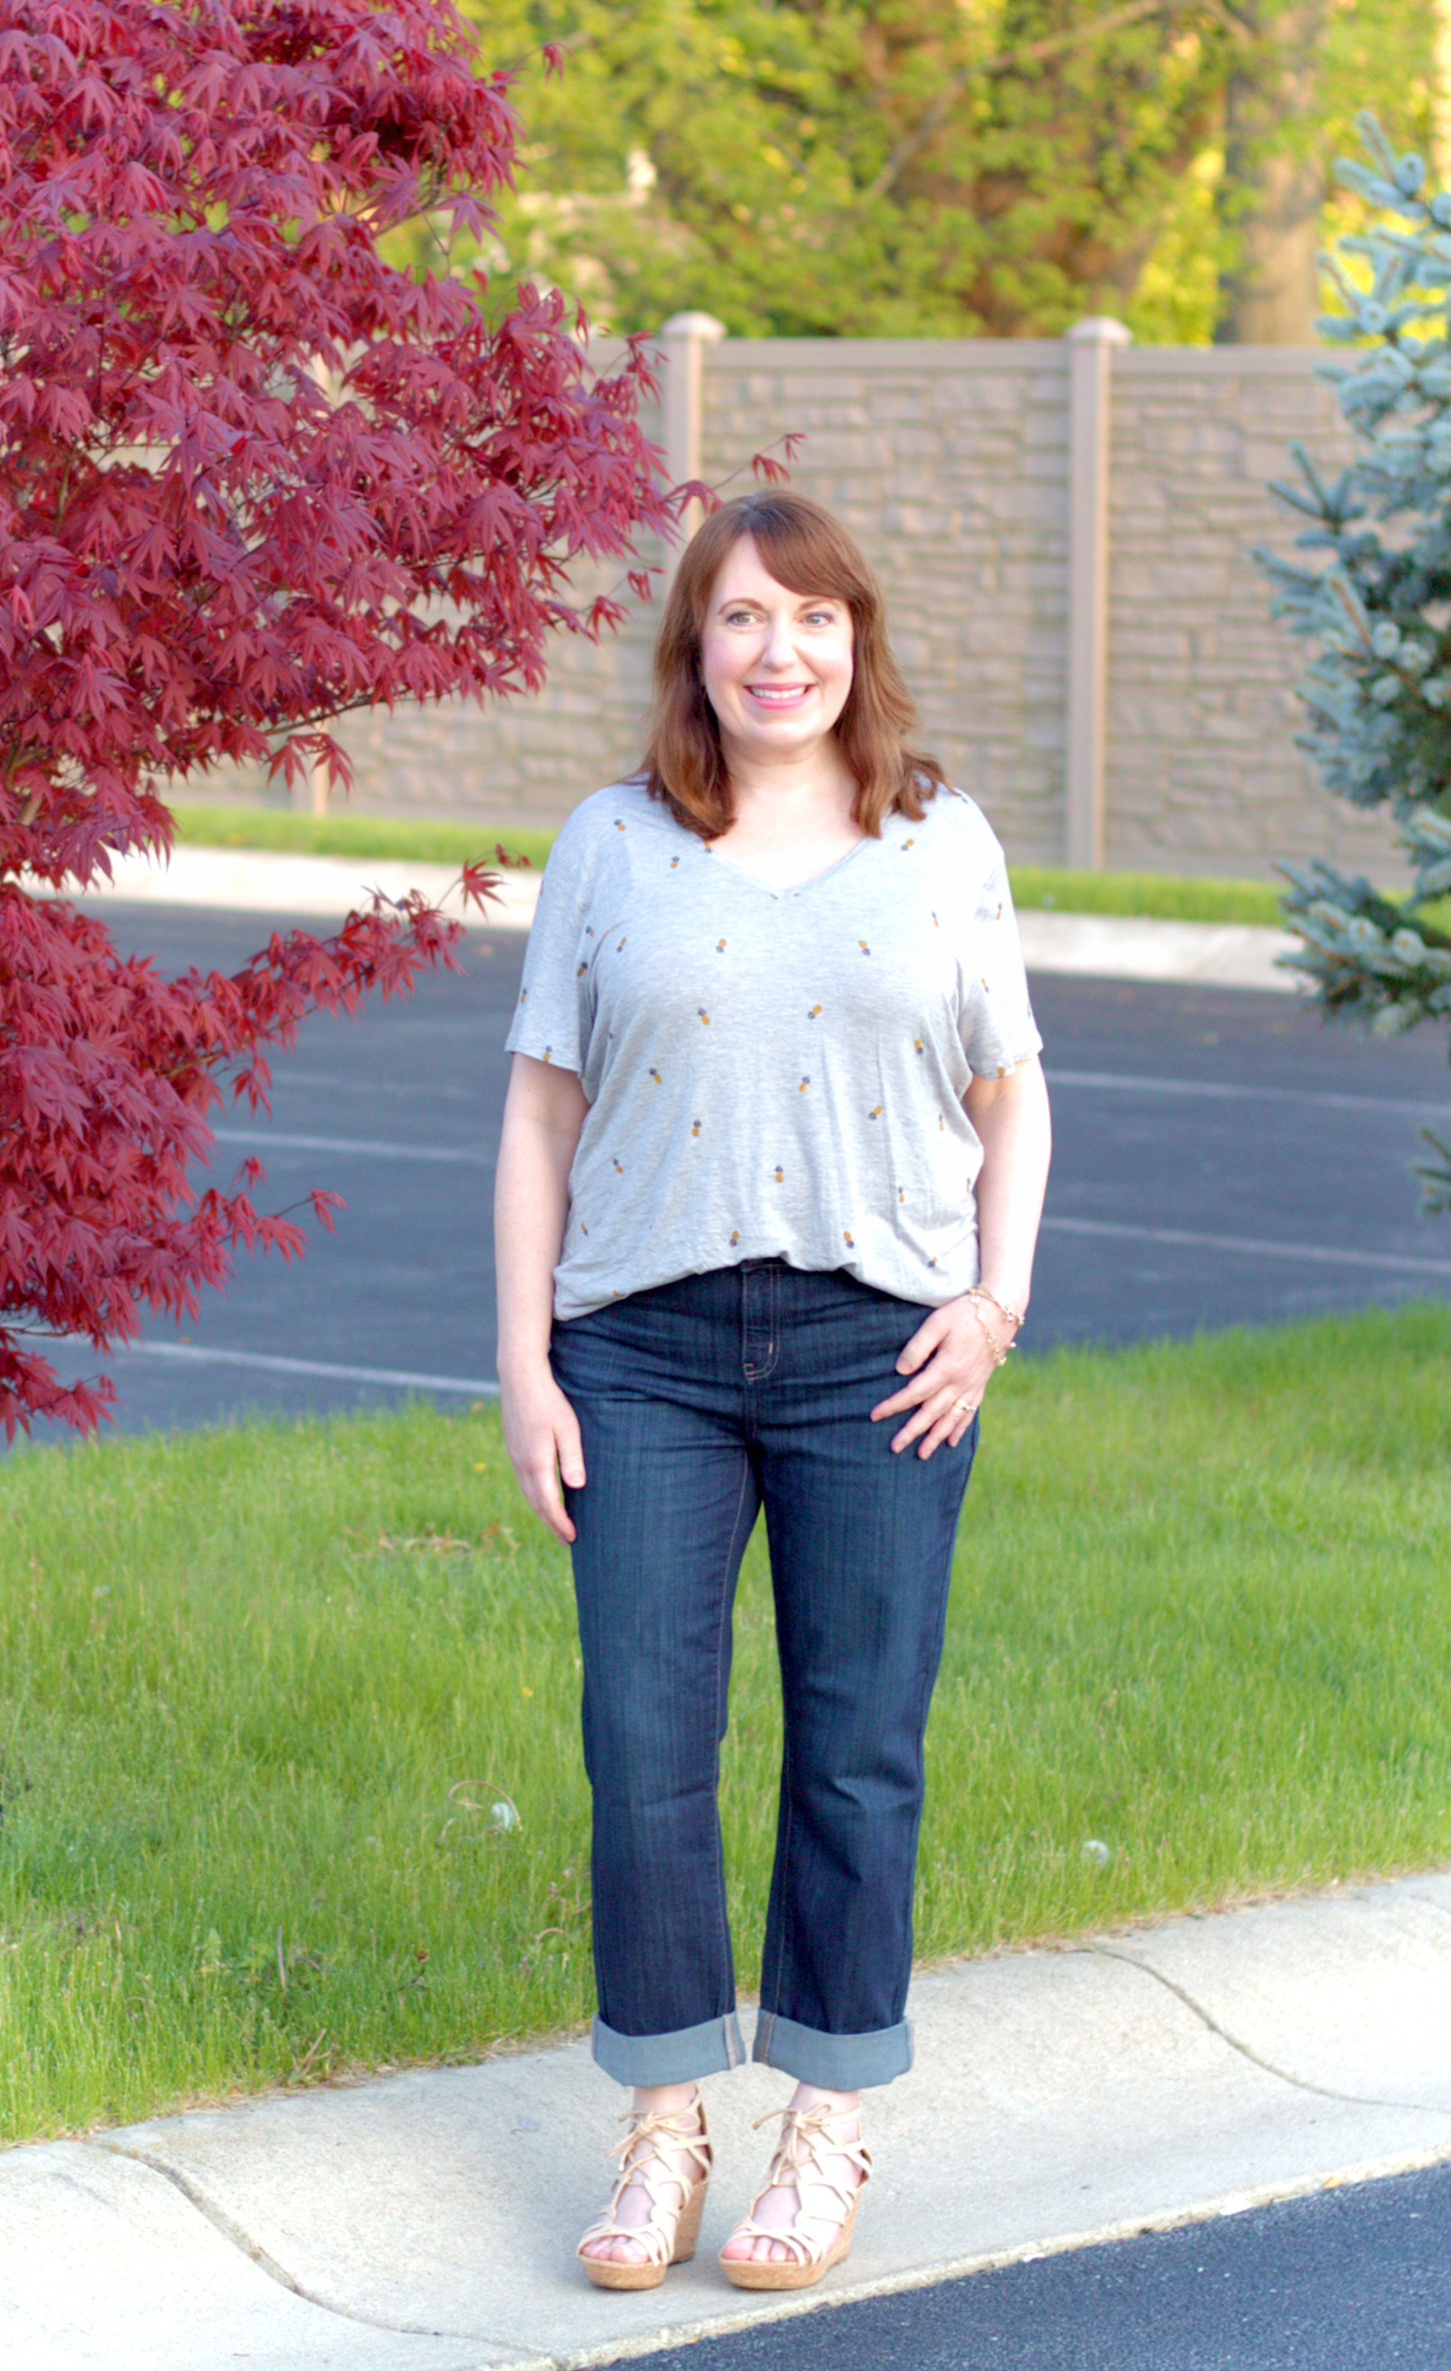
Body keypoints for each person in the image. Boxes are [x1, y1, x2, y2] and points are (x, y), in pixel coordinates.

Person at [494, 489, 1051, 2295]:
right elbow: (538, 1116)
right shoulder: (609, 841)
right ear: (696, 645)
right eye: (741, 619)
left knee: (855, 1744)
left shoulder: (935, 838)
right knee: (644, 1747)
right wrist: (522, 1364)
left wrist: (993, 1304)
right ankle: (665, 2127)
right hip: (639, 1351)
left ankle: (825, 2117)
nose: (777, 651)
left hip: (871, 1354)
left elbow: (1011, 1097)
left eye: (809, 620)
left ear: (854, 641)